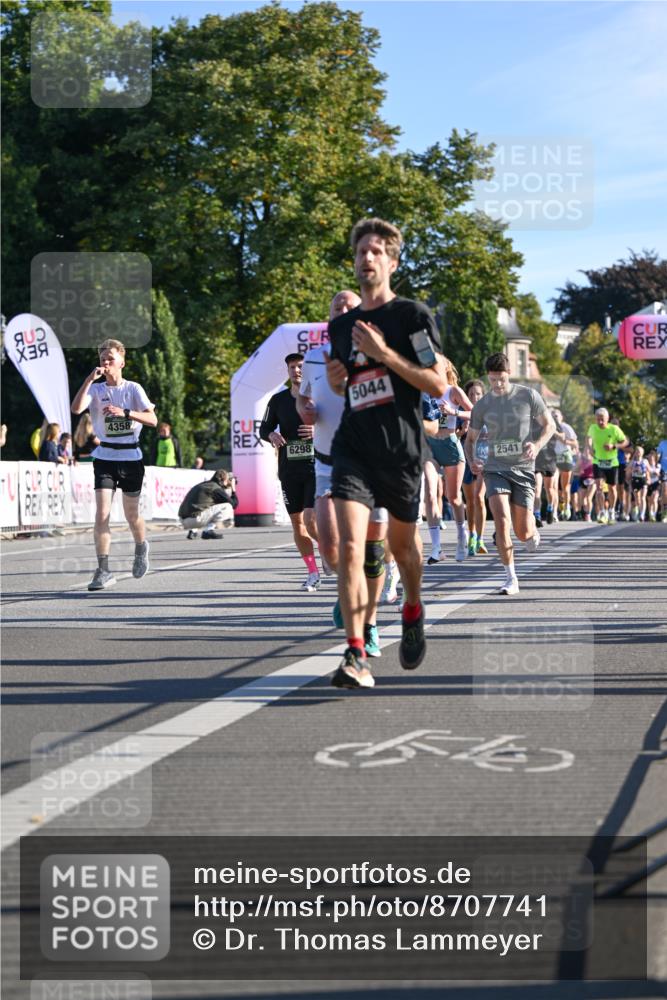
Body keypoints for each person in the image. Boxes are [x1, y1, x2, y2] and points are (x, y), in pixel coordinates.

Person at [325, 217, 448, 687]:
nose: (367, 258)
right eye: (361, 252)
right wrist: (339, 384)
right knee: (353, 547)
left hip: (400, 449)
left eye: (376, 251)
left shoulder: (411, 317)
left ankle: (413, 605)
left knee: (401, 547)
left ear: (392, 262)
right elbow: (346, 389)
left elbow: (436, 382)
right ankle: (355, 653)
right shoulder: (341, 327)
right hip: (353, 447)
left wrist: (385, 355)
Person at [298, 289, 390, 657]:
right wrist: (305, 408)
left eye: (352, 307)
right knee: (333, 549)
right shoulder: (313, 360)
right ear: (331, 317)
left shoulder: (380, 355)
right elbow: (303, 397)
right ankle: (345, 590)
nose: (345, 311)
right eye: (338, 307)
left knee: (371, 551)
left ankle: (368, 623)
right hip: (327, 462)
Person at [465, 352, 555, 596]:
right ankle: (510, 578)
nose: (498, 385)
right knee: (501, 518)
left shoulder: (528, 395)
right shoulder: (483, 405)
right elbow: (470, 439)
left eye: (502, 379)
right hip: (495, 469)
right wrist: (473, 461)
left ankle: (532, 532)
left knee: (522, 531)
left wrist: (536, 445)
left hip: (523, 469)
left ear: (509, 374)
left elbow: (550, 426)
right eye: (493, 380)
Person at [71, 338, 157, 591]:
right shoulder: (96, 390)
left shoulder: (133, 389)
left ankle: (141, 547)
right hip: (105, 458)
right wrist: (89, 380)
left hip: (131, 458)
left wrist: (126, 413)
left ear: (122, 362)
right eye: (102, 360)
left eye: (110, 359)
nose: (106, 363)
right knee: (102, 514)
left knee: (132, 516)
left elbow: (152, 419)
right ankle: (103, 570)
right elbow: (76, 409)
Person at [259, 353, 320, 592]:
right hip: (288, 469)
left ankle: (330, 553)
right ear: (288, 371)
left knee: (310, 519)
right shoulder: (278, 400)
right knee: (298, 524)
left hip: (316, 467)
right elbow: (264, 428)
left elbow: (339, 424)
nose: (296, 370)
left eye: (300, 366)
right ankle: (313, 572)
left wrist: (318, 432)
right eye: (292, 367)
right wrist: (270, 435)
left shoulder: (319, 397)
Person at [424, 364, 473, 562]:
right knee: (429, 493)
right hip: (429, 447)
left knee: (453, 497)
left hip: (451, 445)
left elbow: (475, 412)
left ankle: (462, 535)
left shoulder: (453, 391)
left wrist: (454, 413)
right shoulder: (422, 391)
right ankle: (436, 548)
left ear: (445, 370)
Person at [460, 378, 489, 555]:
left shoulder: (489, 413)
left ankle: (480, 538)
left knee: (479, 497)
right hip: (466, 459)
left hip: (485, 459)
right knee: (469, 502)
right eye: (471, 394)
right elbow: (454, 436)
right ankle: (471, 535)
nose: (474, 397)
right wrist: (462, 430)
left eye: (478, 394)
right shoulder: (461, 413)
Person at [586, 409, 628, 524]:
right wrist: (590, 448)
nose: (600, 422)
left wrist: (614, 446)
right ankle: (602, 512)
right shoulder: (593, 428)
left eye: (602, 420)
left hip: (612, 463)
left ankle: (611, 510)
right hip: (598, 461)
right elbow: (588, 439)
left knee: (612, 488)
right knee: (599, 488)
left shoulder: (614, 429)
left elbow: (625, 442)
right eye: (598, 419)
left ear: (607, 419)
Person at [178, 469, 238, 539]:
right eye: (228, 479)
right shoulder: (215, 488)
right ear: (223, 479)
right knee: (227, 506)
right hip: (194, 520)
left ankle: (193, 530)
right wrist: (233, 489)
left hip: (183, 520)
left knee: (208, 506)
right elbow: (234, 504)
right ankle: (208, 531)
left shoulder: (204, 484)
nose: (229, 481)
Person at [552, 408, 578, 521]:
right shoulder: (547, 427)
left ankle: (567, 507)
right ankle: (555, 511)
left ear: (561, 417)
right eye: (552, 416)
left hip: (565, 457)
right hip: (553, 458)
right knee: (553, 486)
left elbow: (575, 443)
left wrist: (564, 440)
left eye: (556, 416)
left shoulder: (566, 427)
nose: (554, 418)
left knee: (565, 486)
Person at [629, 446, 649, 522]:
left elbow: (649, 470)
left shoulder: (645, 461)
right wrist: (633, 469)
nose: (638, 453)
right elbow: (628, 470)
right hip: (635, 480)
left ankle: (642, 514)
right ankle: (637, 512)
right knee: (637, 498)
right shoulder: (632, 461)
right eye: (637, 451)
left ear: (642, 453)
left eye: (640, 451)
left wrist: (648, 477)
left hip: (643, 480)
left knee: (643, 497)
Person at [646, 450, 661, 522]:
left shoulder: (658, 465)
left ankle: (654, 515)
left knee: (654, 499)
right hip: (648, 484)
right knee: (649, 501)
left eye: (652, 457)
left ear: (655, 458)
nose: (651, 458)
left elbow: (657, 473)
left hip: (656, 483)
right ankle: (650, 514)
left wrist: (651, 471)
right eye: (650, 457)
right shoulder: (646, 465)